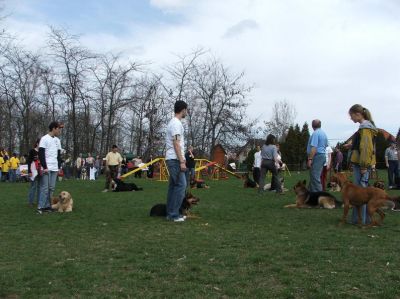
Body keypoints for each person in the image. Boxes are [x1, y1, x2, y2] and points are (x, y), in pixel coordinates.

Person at [345, 104, 377, 224]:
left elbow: (366, 148)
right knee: (363, 193)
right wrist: (352, 145)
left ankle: (360, 220)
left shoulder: (365, 128)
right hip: (362, 164)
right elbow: (363, 145)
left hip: (361, 165)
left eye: (351, 115)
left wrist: (364, 165)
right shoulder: (366, 127)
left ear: (357, 114)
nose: (351, 118)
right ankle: (364, 219)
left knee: (360, 194)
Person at [165, 100, 188, 222]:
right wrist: (182, 161)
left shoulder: (174, 123)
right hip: (175, 159)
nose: (187, 112)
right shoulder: (176, 124)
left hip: (173, 158)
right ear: (183, 109)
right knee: (181, 185)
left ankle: (170, 213)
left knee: (174, 186)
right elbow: (176, 143)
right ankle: (174, 214)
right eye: (186, 110)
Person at [37, 121, 63, 214]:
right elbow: (41, 154)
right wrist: (44, 167)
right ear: (54, 128)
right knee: (45, 188)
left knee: (51, 188)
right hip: (46, 168)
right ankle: (40, 207)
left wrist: (59, 166)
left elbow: (59, 155)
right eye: (58, 129)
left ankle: (48, 206)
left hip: (55, 168)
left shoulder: (57, 140)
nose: (59, 131)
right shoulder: (44, 139)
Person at [307, 119, 328, 192]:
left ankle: (320, 197)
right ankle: (309, 195)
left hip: (317, 156)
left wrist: (310, 159)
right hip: (322, 156)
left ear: (312, 126)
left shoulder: (316, 133)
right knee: (314, 177)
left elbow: (314, 147)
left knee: (315, 178)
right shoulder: (323, 133)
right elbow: (325, 145)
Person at [27, 139, 41, 207]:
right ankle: (30, 202)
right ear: (37, 143)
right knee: (33, 187)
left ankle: (39, 201)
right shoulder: (32, 151)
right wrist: (29, 171)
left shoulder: (42, 151)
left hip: (40, 171)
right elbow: (29, 161)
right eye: (40, 143)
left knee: (39, 187)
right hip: (33, 171)